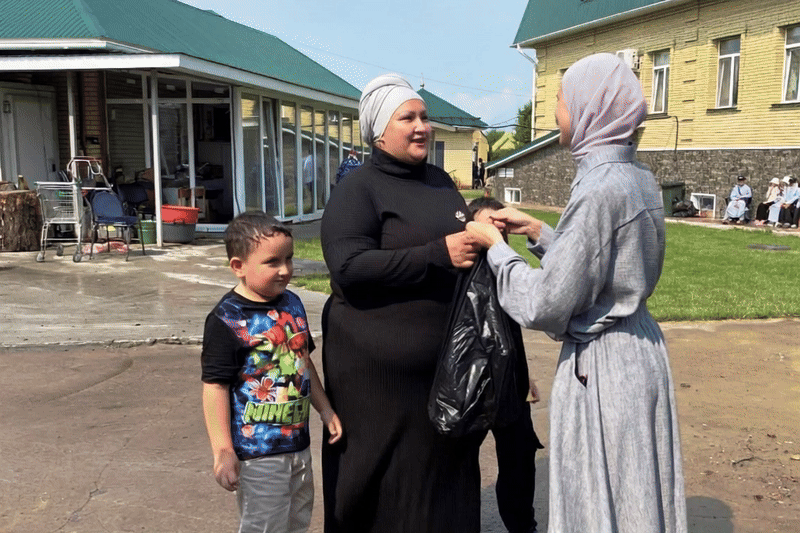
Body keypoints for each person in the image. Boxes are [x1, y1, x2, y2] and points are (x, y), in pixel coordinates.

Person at [466, 53, 687, 533]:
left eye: (563, 101)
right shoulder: (636, 178)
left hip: (605, 369)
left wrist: (497, 249)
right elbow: (601, 263)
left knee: (605, 496)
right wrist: (540, 232)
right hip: (638, 351)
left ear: (593, 109)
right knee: (634, 489)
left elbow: (547, 302)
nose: (556, 113)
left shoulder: (601, 188)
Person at [320, 73, 481, 533]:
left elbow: (456, 245)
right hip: (377, 384)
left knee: (442, 478)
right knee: (379, 484)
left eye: (425, 117)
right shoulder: (359, 188)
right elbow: (348, 267)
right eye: (407, 117)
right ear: (377, 131)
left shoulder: (439, 181)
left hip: (441, 373)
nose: (422, 126)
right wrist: (437, 255)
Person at [201, 211, 343, 533]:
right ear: (238, 266)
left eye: (289, 259)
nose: (285, 270)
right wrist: (222, 449)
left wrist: (324, 408)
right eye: (272, 262)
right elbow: (215, 388)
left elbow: (303, 362)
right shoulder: (226, 320)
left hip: (298, 445)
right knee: (264, 527)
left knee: (297, 522)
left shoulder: (292, 303)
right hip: (258, 455)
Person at [469, 196, 544, 533]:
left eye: (500, 228)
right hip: (469, 384)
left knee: (519, 459)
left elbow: (512, 329)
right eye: (487, 225)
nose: (494, 235)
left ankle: (522, 525)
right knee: (459, 462)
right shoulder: (459, 274)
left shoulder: (507, 271)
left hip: (510, 383)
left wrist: (525, 376)